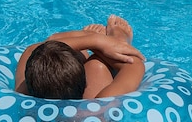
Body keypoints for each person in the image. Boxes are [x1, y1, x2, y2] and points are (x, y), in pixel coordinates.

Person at [14, 15, 145, 99]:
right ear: (85, 83)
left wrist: (93, 39)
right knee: (96, 65)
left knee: (55, 51)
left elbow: (36, 48)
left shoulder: (23, 93)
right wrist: (104, 43)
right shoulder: (99, 105)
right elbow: (134, 65)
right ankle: (118, 42)